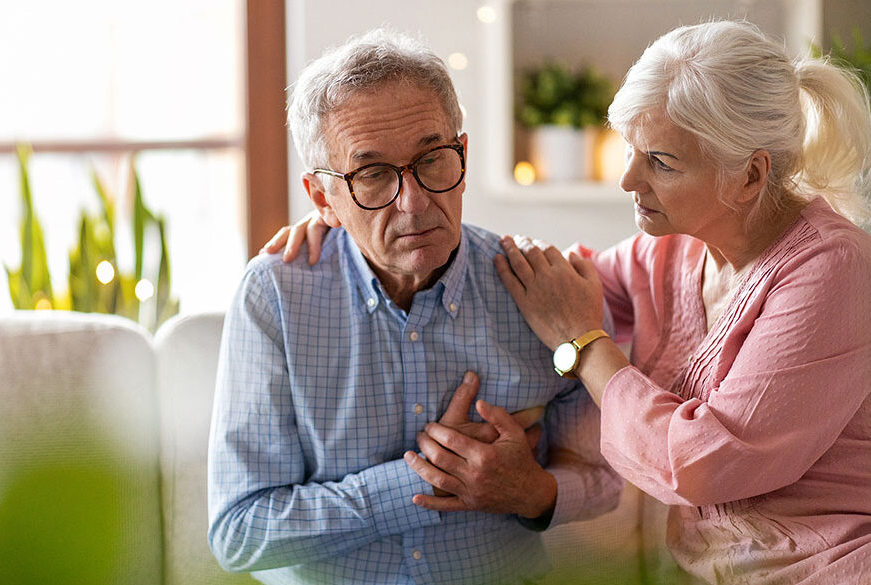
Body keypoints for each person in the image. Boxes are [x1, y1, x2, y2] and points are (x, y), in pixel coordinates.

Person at [266, 20, 871, 585]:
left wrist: (585, 347)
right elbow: (539, 280)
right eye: (630, 148)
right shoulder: (673, 253)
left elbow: (704, 466)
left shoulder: (834, 269)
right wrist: (346, 224)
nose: (627, 179)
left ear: (748, 176)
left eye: (659, 161)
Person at [207, 28, 622, 585]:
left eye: (432, 159)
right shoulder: (276, 297)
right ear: (322, 198)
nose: (415, 202)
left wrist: (533, 491)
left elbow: (605, 478)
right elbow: (240, 532)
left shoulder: (542, 290)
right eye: (372, 175)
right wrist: (424, 481)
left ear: (464, 157)